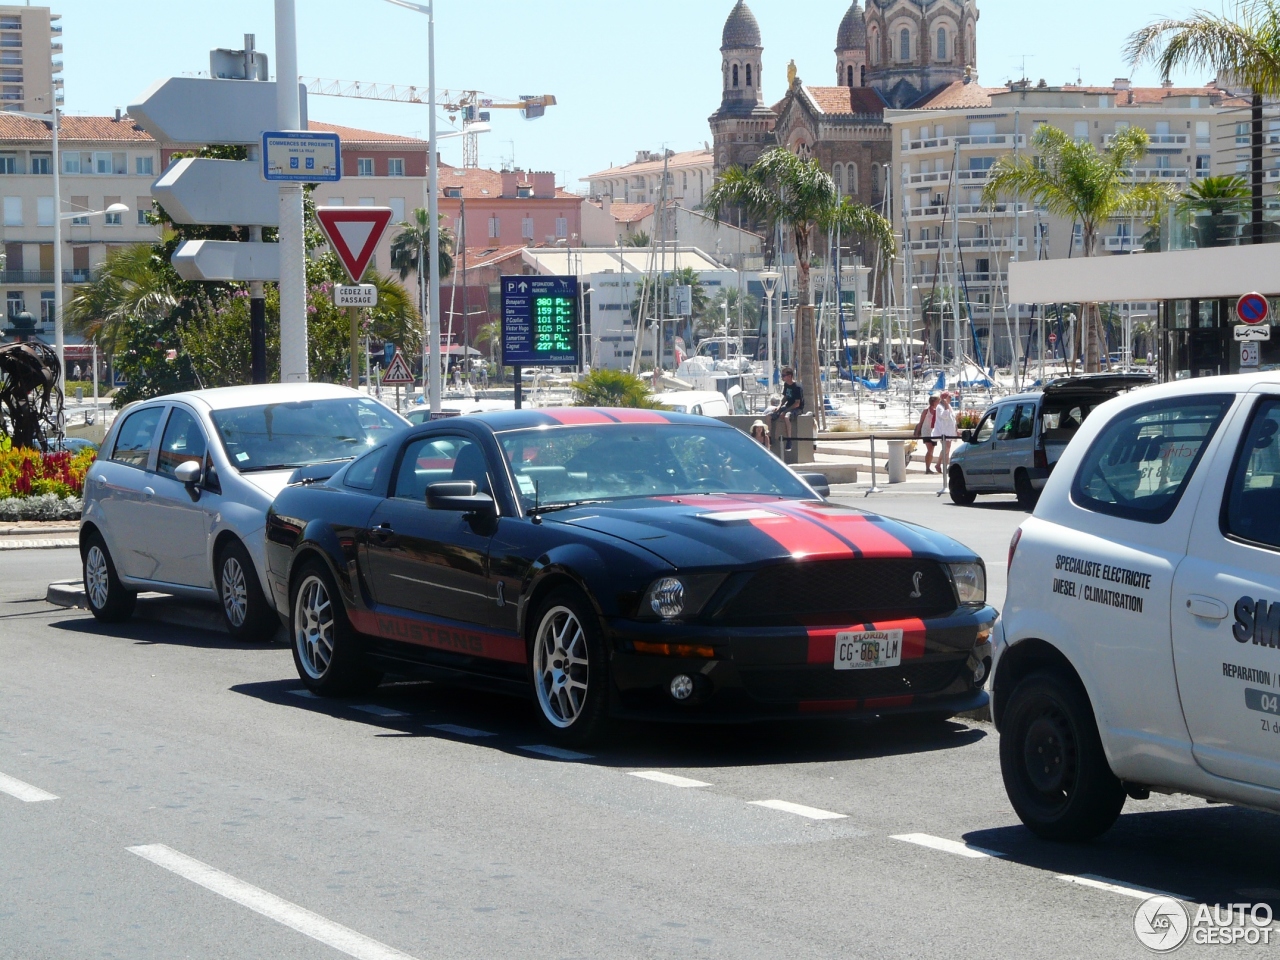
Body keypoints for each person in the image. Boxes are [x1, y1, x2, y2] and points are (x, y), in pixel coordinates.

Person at [769, 368, 805, 451]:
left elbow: (797, 403)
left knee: (786, 417)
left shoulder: (797, 387)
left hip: (797, 408)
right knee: (770, 416)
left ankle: (789, 440)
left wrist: (785, 411)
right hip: (788, 406)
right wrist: (779, 406)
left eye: (783, 375)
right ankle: (769, 438)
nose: (782, 377)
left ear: (789, 376)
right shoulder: (786, 385)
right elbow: (785, 397)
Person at [914, 394, 941, 473]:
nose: (939, 402)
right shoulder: (926, 410)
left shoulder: (938, 410)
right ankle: (927, 468)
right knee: (929, 449)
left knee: (932, 450)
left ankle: (928, 467)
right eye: (938, 401)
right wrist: (917, 432)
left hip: (934, 432)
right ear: (934, 401)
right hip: (926, 431)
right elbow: (921, 422)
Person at [934, 390, 958, 474]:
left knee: (948, 449)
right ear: (945, 398)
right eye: (949, 397)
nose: (951, 398)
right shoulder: (939, 407)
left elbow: (953, 418)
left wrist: (956, 429)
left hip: (949, 431)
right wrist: (947, 405)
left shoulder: (949, 406)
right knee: (946, 448)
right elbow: (945, 415)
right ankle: (938, 463)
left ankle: (945, 466)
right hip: (943, 431)